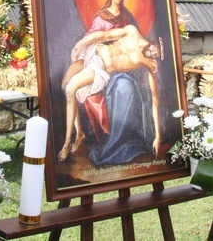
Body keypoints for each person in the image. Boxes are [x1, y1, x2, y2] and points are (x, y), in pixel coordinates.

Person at [62, 24, 162, 162]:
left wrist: (158, 137)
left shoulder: (148, 63)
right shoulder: (131, 31)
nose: (152, 53)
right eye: (154, 49)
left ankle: (67, 142)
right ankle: (79, 132)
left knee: (70, 89)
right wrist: (81, 44)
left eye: (156, 55)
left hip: (98, 68)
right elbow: (105, 35)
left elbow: (155, 100)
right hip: (93, 51)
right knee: (65, 84)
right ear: (154, 41)